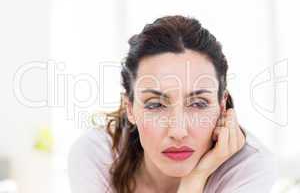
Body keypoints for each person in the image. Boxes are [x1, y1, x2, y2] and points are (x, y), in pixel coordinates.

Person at [68, 15, 278, 193]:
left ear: (222, 107)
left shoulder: (248, 167)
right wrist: (194, 180)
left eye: (198, 103)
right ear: (130, 108)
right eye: (155, 105)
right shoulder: (96, 155)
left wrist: (198, 176)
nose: (178, 132)